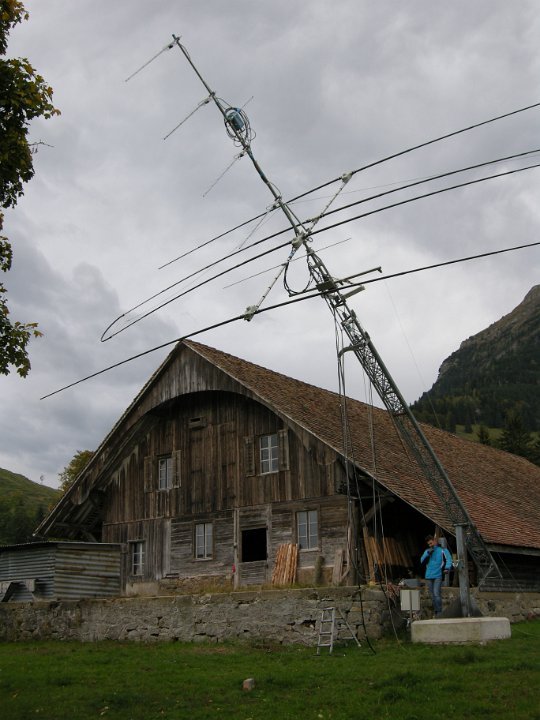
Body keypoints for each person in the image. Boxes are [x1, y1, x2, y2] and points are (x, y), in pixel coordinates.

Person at [420, 535, 453, 618]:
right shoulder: (427, 551)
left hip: (438, 575)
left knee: (436, 594)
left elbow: (449, 559)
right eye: (429, 544)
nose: (430, 545)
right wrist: (428, 553)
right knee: (432, 595)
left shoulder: (443, 550)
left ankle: (439, 612)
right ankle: (436, 611)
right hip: (428, 576)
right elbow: (421, 561)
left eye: (431, 543)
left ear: (434, 541)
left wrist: (447, 568)